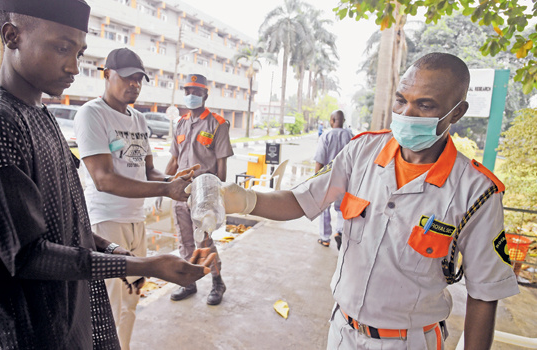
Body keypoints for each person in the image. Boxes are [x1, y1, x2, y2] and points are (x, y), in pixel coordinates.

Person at [0, 1, 214, 348]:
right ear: (11, 36)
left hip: (72, 314)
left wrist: (125, 256)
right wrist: (146, 266)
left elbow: (67, 223)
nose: (74, 66)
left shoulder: (39, 113)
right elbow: (29, 255)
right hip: (38, 332)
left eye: (79, 52)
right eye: (62, 48)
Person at [222, 53, 519, 349]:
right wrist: (244, 200)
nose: (406, 114)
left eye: (425, 105)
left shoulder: (476, 192)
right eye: (401, 100)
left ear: (457, 112)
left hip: (410, 342)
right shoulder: (362, 151)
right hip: (342, 331)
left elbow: (484, 293)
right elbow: (301, 201)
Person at [73, 47, 199, 350]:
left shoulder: (139, 120)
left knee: (131, 299)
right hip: (106, 223)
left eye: (139, 79)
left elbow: (149, 172)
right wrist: (165, 190)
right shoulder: (92, 114)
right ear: (107, 75)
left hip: (136, 221)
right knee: (108, 305)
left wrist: (175, 181)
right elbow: (103, 179)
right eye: (128, 78)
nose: (134, 85)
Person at [165, 74, 234, 305]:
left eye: (196, 92)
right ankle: (188, 283)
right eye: (187, 91)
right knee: (184, 242)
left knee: (204, 241)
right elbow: (174, 161)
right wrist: (163, 185)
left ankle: (217, 281)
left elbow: (222, 168)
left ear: (205, 94)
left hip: (203, 196)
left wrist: (214, 196)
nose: (191, 96)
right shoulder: (181, 123)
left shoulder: (217, 124)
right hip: (180, 191)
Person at [314, 110, 353, 248]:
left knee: (324, 208)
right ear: (343, 120)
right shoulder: (351, 136)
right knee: (342, 208)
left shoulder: (326, 136)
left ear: (332, 120)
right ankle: (340, 232)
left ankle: (325, 238)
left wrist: (316, 180)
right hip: (346, 179)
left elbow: (319, 160)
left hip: (328, 179)